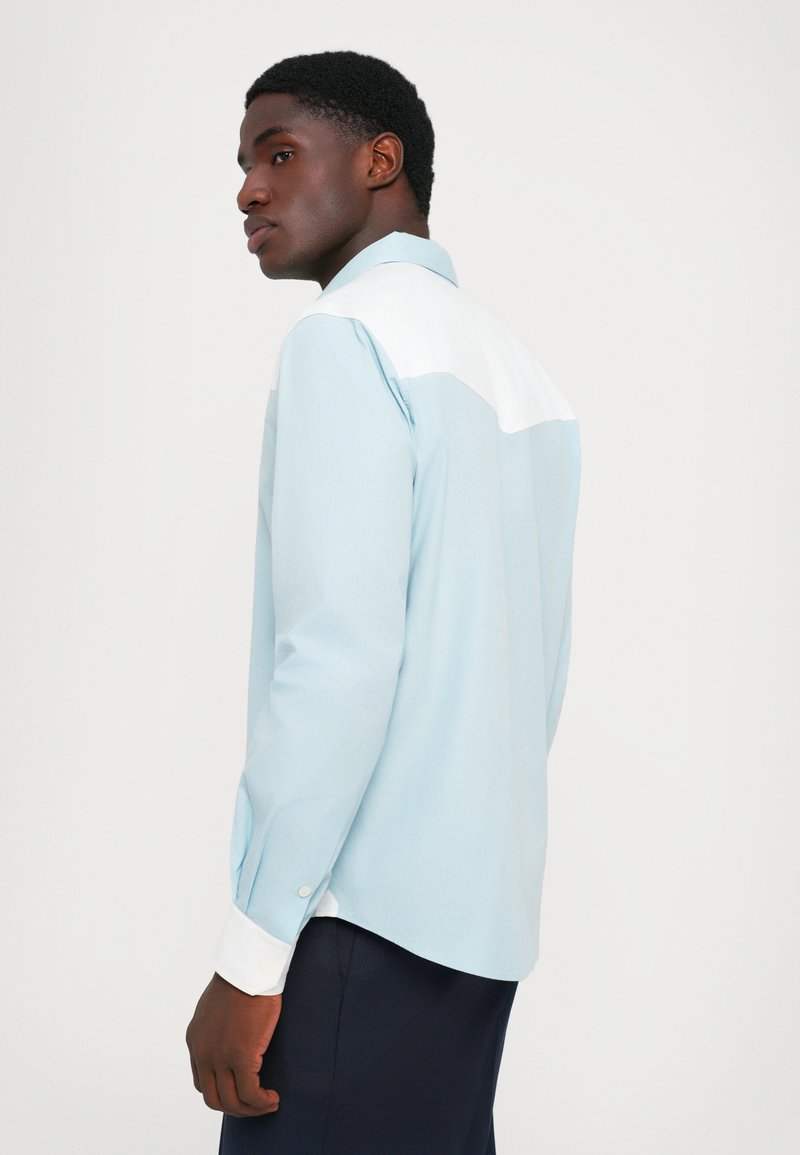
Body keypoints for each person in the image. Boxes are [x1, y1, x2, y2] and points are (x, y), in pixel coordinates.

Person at [185, 49, 581, 1154]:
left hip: (357, 925)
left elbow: (338, 660)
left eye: (278, 154)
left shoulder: (345, 338)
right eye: (243, 165)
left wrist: (250, 955)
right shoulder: (522, 373)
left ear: (379, 160)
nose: (248, 190)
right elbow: (533, 670)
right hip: (479, 935)